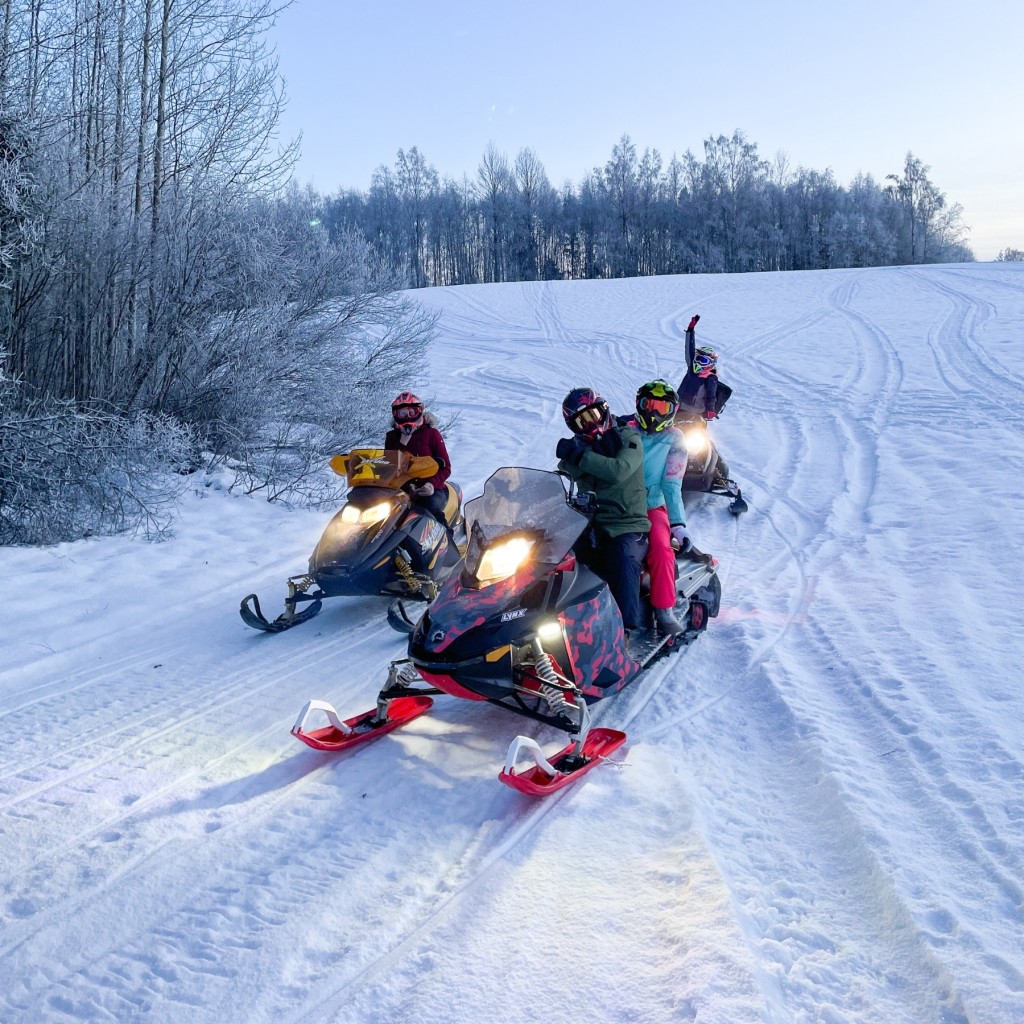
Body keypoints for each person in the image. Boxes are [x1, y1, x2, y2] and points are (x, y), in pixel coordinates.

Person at [555, 386, 650, 634]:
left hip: (627, 523)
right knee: (558, 558)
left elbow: (618, 471)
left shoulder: (628, 437)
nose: (589, 425)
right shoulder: (580, 448)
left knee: (622, 556)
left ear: (604, 410)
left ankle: (626, 629)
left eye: (593, 415)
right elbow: (565, 471)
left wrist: (579, 457)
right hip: (590, 523)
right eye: (580, 421)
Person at [623, 379, 692, 637]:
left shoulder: (674, 438)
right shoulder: (626, 430)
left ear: (671, 412)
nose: (653, 413)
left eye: (661, 409)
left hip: (652, 508)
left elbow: (672, 483)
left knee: (662, 549)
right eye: (648, 405)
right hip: (619, 503)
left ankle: (664, 609)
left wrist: (678, 524)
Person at [384, 391, 452, 530]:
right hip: (402, 490)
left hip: (431, 489)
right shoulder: (392, 437)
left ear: (420, 412)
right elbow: (389, 465)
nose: (408, 416)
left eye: (412, 412)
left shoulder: (431, 433)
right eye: (403, 413)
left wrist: (431, 485)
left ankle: (446, 542)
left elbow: (446, 467)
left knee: (429, 508)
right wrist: (401, 443)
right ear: (395, 414)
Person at [676, 314, 720, 423]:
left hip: (697, 414)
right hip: (678, 408)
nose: (699, 362)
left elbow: (711, 395)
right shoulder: (692, 369)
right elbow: (689, 349)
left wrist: (710, 410)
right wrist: (690, 330)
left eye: (703, 360)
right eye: (698, 358)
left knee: (700, 437)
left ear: (710, 363)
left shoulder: (711, 377)